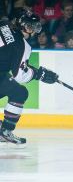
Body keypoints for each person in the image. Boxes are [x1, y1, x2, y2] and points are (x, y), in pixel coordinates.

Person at [0, 9, 58, 145]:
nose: (32, 31)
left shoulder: (3, 24)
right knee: (19, 93)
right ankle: (6, 131)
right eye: (29, 26)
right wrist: (39, 74)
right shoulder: (21, 45)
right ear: (20, 24)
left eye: (35, 27)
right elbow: (20, 76)